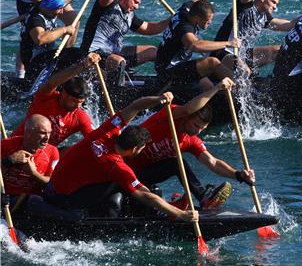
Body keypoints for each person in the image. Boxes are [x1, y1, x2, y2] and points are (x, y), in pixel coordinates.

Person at [44, 93, 199, 222]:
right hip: (64, 200)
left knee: (129, 183)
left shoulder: (106, 131)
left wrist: (159, 99)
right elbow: (143, 194)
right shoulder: (115, 164)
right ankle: (157, 212)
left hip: (52, 187)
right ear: (135, 149)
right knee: (121, 183)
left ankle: (153, 208)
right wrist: (180, 214)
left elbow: (135, 106)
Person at [125, 79, 255, 211]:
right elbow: (188, 109)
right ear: (186, 118)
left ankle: (196, 201)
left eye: (202, 129)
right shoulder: (169, 116)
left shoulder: (191, 140)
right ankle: (203, 197)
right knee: (175, 163)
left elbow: (213, 163)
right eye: (195, 125)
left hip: (143, 177)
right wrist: (216, 88)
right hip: (124, 169)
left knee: (173, 168)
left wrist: (239, 175)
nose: (197, 131)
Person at [79, 0, 171, 82]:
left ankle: (164, 81)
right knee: (119, 62)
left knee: (154, 52)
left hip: (114, 53)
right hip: (94, 53)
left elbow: (149, 28)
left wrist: (171, 20)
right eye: (135, 2)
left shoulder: (130, 15)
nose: (137, 6)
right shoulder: (107, 4)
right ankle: (116, 90)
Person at [155, 0, 239, 89]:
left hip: (177, 62)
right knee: (212, 62)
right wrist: (228, 43)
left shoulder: (189, 7)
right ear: (196, 18)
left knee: (208, 86)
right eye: (207, 21)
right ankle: (242, 88)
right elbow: (194, 45)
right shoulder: (185, 27)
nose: (210, 23)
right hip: (169, 70)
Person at [11, 53, 99, 147]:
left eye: (80, 102)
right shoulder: (46, 98)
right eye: (74, 101)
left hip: (45, 156)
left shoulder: (79, 116)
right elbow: (52, 83)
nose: (77, 106)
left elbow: (95, 139)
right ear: (64, 94)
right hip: (18, 146)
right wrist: (82, 65)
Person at [20, 0, 85, 79]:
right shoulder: (36, 19)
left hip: (44, 56)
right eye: (59, 8)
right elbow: (40, 38)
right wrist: (64, 30)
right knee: (76, 55)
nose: (62, 11)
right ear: (49, 8)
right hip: (35, 62)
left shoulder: (48, 11)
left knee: (78, 54)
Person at [1, 115, 58, 205]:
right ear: (28, 133)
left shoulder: (52, 152)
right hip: (5, 197)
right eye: (42, 133)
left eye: (49, 133)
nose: (47, 137)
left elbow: (52, 185)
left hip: (31, 201)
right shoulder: (5, 145)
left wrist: (34, 173)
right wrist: (9, 161)